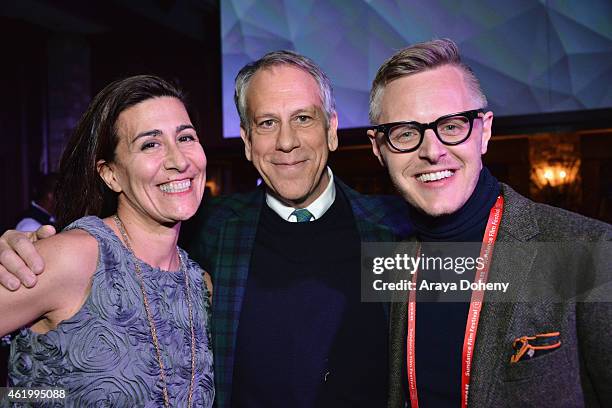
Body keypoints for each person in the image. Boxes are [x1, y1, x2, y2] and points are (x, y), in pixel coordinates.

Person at [0, 51, 411, 407]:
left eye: (303, 118)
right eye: (267, 123)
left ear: (332, 129)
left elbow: (470, 299)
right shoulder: (216, 229)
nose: (287, 141)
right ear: (247, 142)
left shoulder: (394, 230)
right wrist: (43, 397)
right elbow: (33, 381)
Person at [367, 39, 612, 407]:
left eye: (451, 126)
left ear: (484, 130)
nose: (432, 151)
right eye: (405, 132)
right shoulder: (386, 261)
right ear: (378, 148)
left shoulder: (587, 251)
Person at [0, 75, 214, 406]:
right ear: (110, 174)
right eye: (150, 144)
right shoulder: (77, 257)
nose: (178, 160)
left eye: (185, 137)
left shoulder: (200, 286)